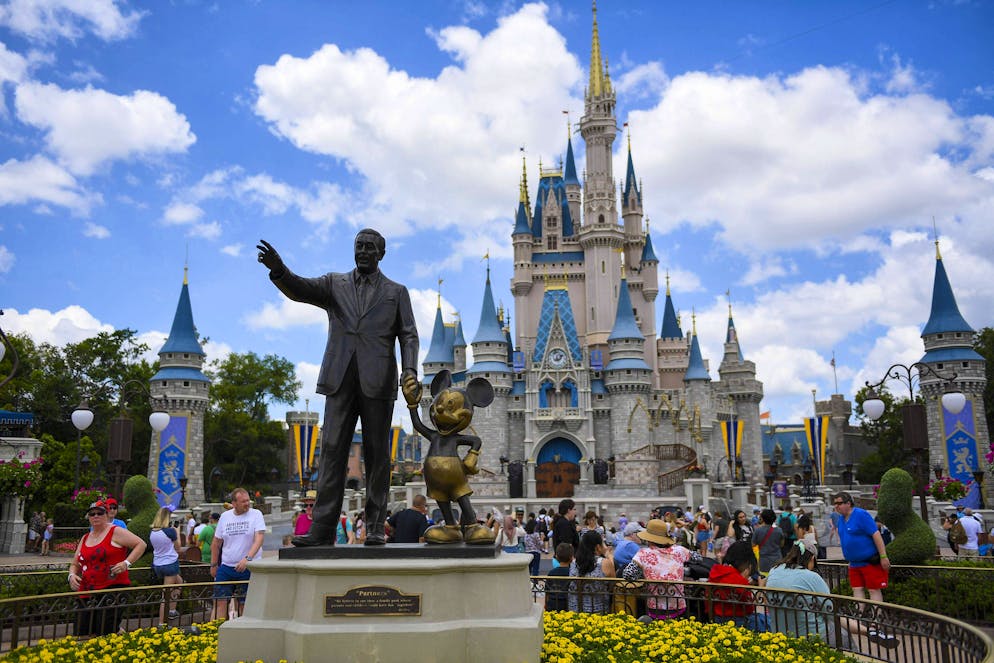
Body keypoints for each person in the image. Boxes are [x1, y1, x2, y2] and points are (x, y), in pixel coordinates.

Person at [259, 230, 419, 547]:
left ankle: (375, 526)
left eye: (369, 248)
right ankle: (321, 529)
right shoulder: (335, 284)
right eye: (358, 246)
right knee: (331, 450)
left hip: (378, 380)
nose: (362, 251)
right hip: (339, 377)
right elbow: (299, 289)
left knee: (377, 455)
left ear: (381, 254)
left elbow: (409, 334)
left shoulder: (396, 291)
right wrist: (279, 270)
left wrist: (410, 370)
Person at [68, 500, 147, 636]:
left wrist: (126, 563)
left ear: (106, 515)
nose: (96, 516)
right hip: (87, 590)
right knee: (82, 631)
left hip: (111, 588)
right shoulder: (85, 537)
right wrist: (71, 575)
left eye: (100, 513)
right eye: (92, 514)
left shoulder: (115, 531)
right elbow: (75, 564)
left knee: (105, 631)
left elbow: (141, 544)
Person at [210, 488, 266, 620]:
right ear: (234, 503)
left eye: (248, 501)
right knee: (220, 602)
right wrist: (213, 564)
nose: (247, 504)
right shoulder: (225, 517)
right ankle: (215, 633)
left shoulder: (256, 514)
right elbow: (216, 543)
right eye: (243, 502)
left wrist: (247, 559)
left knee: (244, 604)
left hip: (249, 567)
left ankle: (244, 634)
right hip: (226, 567)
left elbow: (259, 539)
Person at [622, 519, 690, 620]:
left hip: (655, 607)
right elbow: (698, 557)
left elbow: (628, 574)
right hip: (678, 604)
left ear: (649, 539)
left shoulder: (643, 553)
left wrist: (644, 572)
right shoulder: (679, 550)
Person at [832, 492, 891, 605]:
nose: (836, 506)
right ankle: (860, 618)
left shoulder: (861, 515)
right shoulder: (840, 519)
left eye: (839, 503)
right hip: (854, 563)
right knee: (857, 589)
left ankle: (876, 620)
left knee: (873, 589)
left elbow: (876, 535)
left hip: (869, 561)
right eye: (835, 503)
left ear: (848, 503)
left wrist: (883, 556)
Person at [707, 540, 767, 631]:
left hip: (718, 619)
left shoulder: (716, 572)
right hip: (739, 623)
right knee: (766, 621)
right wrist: (760, 588)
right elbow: (749, 608)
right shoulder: (738, 580)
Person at [149, 506, 184, 626]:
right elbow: (178, 547)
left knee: (179, 582)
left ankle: (172, 610)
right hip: (170, 564)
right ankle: (162, 623)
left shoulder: (153, 531)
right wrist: (177, 532)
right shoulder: (170, 531)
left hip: (158, 564)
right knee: (166, 595)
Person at [568, 530, 615, 613]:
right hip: (598, 609)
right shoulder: (604, 563)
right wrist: (609, 556)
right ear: (597, 546)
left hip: (575, 608)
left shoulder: (574, 562)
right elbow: (613, 584)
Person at [752, 509, 784, 574]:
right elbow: (782, 544)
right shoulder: (779, 530)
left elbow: (753, 545)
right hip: (777, 559)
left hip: (764, 560)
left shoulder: (758, 531)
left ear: (763, 518)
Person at [545, 543, 574, 611]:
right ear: (571, 558)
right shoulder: (572, 573)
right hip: (568, 603)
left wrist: (546, 604)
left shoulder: (551, 573)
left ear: (557, 557)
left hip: (553, 603)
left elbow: (547, 591)